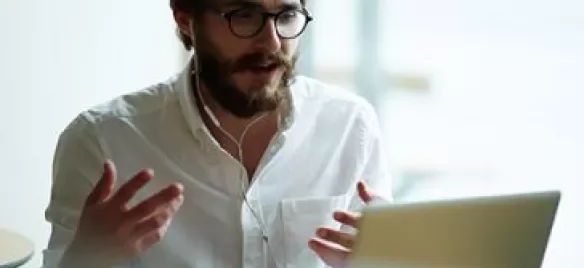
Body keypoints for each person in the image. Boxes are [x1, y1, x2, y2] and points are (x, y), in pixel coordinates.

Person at [42, 0, 393, 267]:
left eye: (286, 15)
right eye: (244, 15)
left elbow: (384, 259)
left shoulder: (350, 127)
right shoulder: (102, 141)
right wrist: (85, 260)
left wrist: (384, 258)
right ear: (185, 17)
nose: (271, 42)